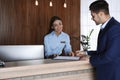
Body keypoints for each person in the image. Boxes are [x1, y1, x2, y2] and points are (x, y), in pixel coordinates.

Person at [76, 0, 120, 80]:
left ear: (101, 14)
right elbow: (102, 51)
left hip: (111, 74)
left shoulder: (115, 28)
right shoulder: (105, 27)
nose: (92, 18)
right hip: (105, 73)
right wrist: (86, 52)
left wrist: (89, 59)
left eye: (93, 16)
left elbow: (109, 56)